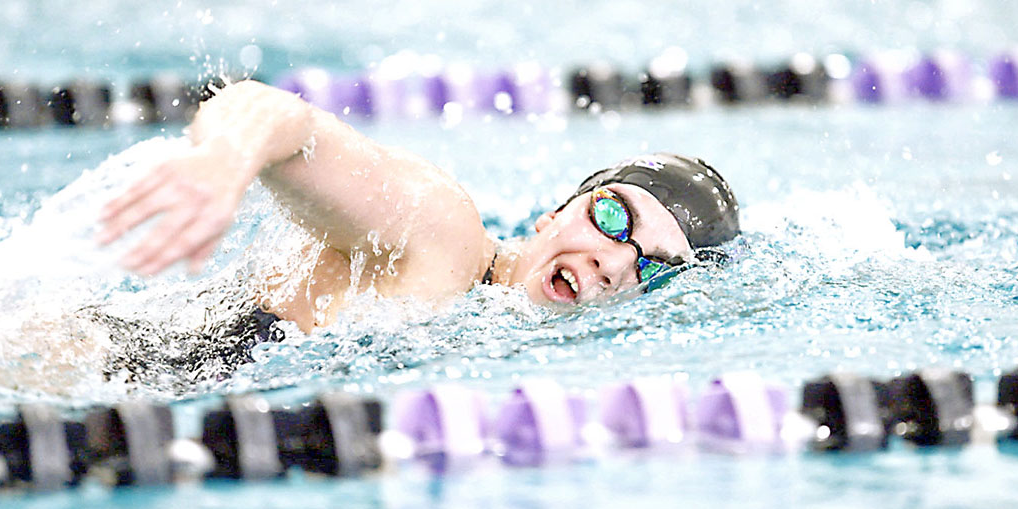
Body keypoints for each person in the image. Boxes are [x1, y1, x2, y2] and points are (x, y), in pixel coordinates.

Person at [97, 80, 741, 339]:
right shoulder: (445, 235)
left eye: (652, 266)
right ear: (555, 212)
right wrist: (226, 162)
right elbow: (277, 113)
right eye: (615, 218)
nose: (612, 261)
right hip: (103, 360)